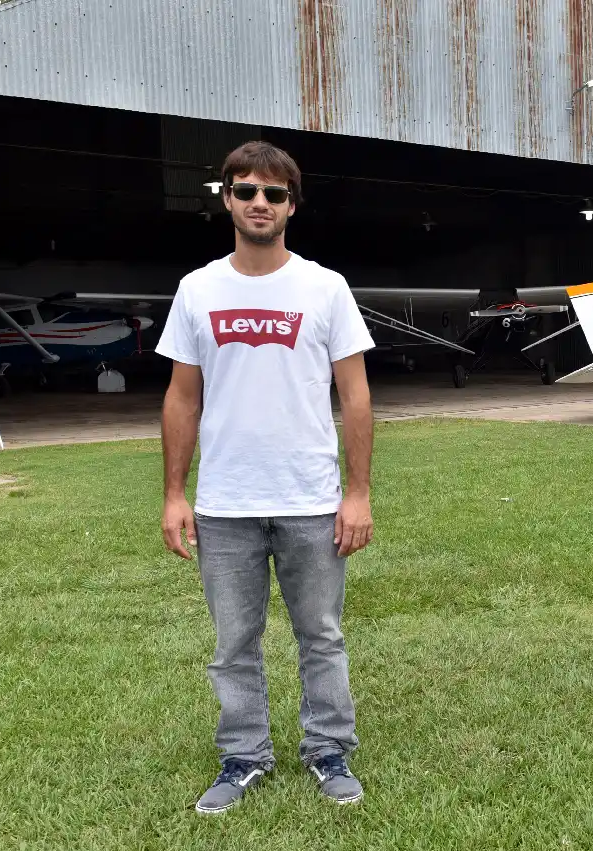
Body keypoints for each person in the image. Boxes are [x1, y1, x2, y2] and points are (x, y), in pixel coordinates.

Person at [157, 141, 376, 814]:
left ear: (291, 205)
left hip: (311, 500)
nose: (259, 203)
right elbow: (181, 398)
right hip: (226, 505)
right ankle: (243, 757)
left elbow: (357, 396)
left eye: (274, 194)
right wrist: (174, 494)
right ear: (225, 198)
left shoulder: (325, 288)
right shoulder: (198, 290)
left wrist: (357, 492)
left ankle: (328, 749)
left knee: (322, 635)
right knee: (233, 645)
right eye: (246, 191)